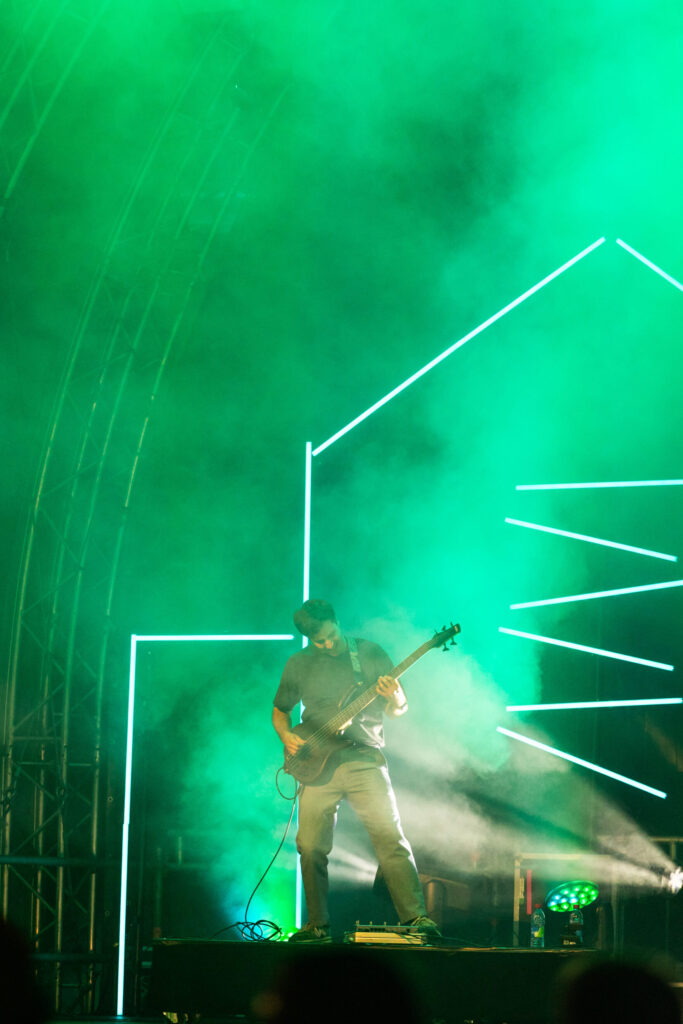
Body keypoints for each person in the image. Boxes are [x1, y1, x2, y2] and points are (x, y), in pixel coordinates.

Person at [272, 598, 439, 942]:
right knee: (311, 846)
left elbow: (399, 709)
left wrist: (395, 698)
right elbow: (280, 710)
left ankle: (416, 918)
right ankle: (317, 925)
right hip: (317, 763)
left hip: (365, 757)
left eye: (330, 635)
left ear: (336, 621)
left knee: (390, 838)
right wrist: (287, 736)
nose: (327, 644)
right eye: (319, 641)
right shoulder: (299, 663)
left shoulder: (369, 652)